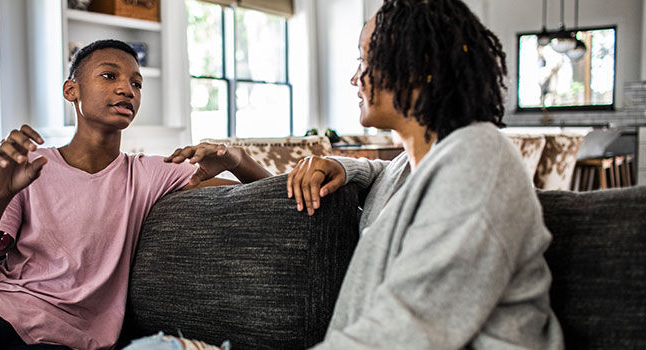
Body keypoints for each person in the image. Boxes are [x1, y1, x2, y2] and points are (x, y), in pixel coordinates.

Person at [163, 0, 565, 349]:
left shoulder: (478, 160)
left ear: (417, 65)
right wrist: (344, 166)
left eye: (365, 57)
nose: (355, 77)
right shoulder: (417, 165)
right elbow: (387, 177)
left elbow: (408, 331)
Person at [0, 39, 270, 350]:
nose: (127, 89)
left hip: (69, 338)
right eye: (109, 75)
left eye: (136, 83)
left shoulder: (149, 173)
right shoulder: (30, 167)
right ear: (73, 90)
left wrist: (237, 158)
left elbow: (267, 196)